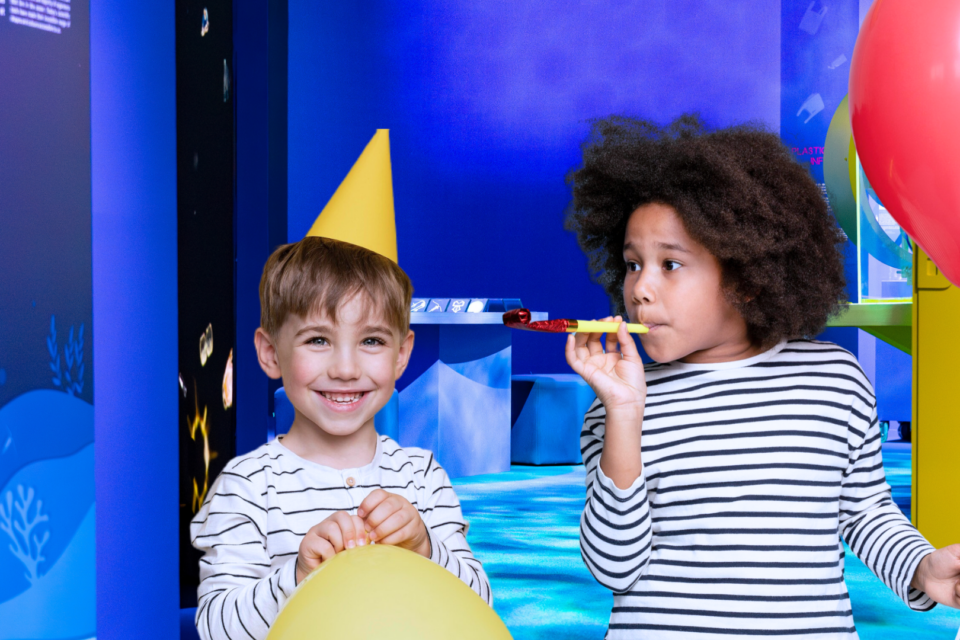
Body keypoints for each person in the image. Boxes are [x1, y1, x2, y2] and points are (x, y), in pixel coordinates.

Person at [563, 115, 960, 639]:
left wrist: (922, 569)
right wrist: (623, 413)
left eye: (670, 265)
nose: (640, 288)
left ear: (747, 278)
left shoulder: (834, 382)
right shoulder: (616, 408)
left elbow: (866, 513)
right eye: (633, 264)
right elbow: (613, 567)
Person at [191, 237, 491, 640]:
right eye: (318, 340)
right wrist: (297, 576)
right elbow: (217, 628)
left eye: (372, 341)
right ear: (270, 352)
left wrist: (425, 547)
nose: (346, 369)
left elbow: (479, 603)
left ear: (401, 354)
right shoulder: (246, 487)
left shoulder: (422, 476)